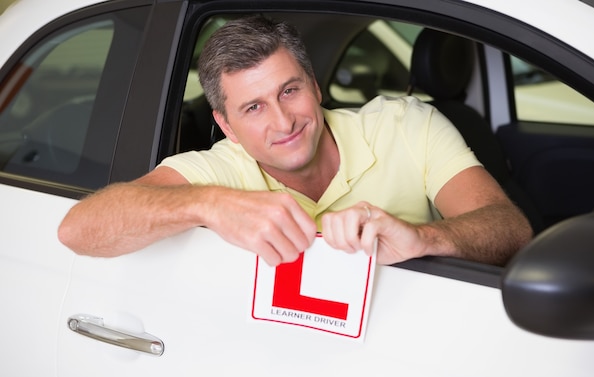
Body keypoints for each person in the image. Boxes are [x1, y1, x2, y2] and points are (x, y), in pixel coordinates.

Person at [58, 15, 532, 267]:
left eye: (290, 91)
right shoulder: (219, 169)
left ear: (316, 86)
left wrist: (423, 238)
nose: (283, 121)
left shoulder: (407, 125)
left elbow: (510, 230)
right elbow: (79, 229)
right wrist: (209, 205)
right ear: (226, 125)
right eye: (253, 107)